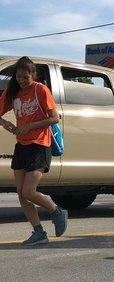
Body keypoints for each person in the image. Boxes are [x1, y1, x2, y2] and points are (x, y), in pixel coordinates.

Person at [0, 56, 68, 245]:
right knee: (21, 194)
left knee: (29, 191)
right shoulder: (12, 92)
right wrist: (5, 123)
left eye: (25, 77)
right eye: (19, 77)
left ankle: (57, 211)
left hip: (39, 144)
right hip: (21, 146)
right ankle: (39, 232)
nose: (21, 81)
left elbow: (55, 118)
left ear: (33, 75)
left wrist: (30, 126)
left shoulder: (40, 89)